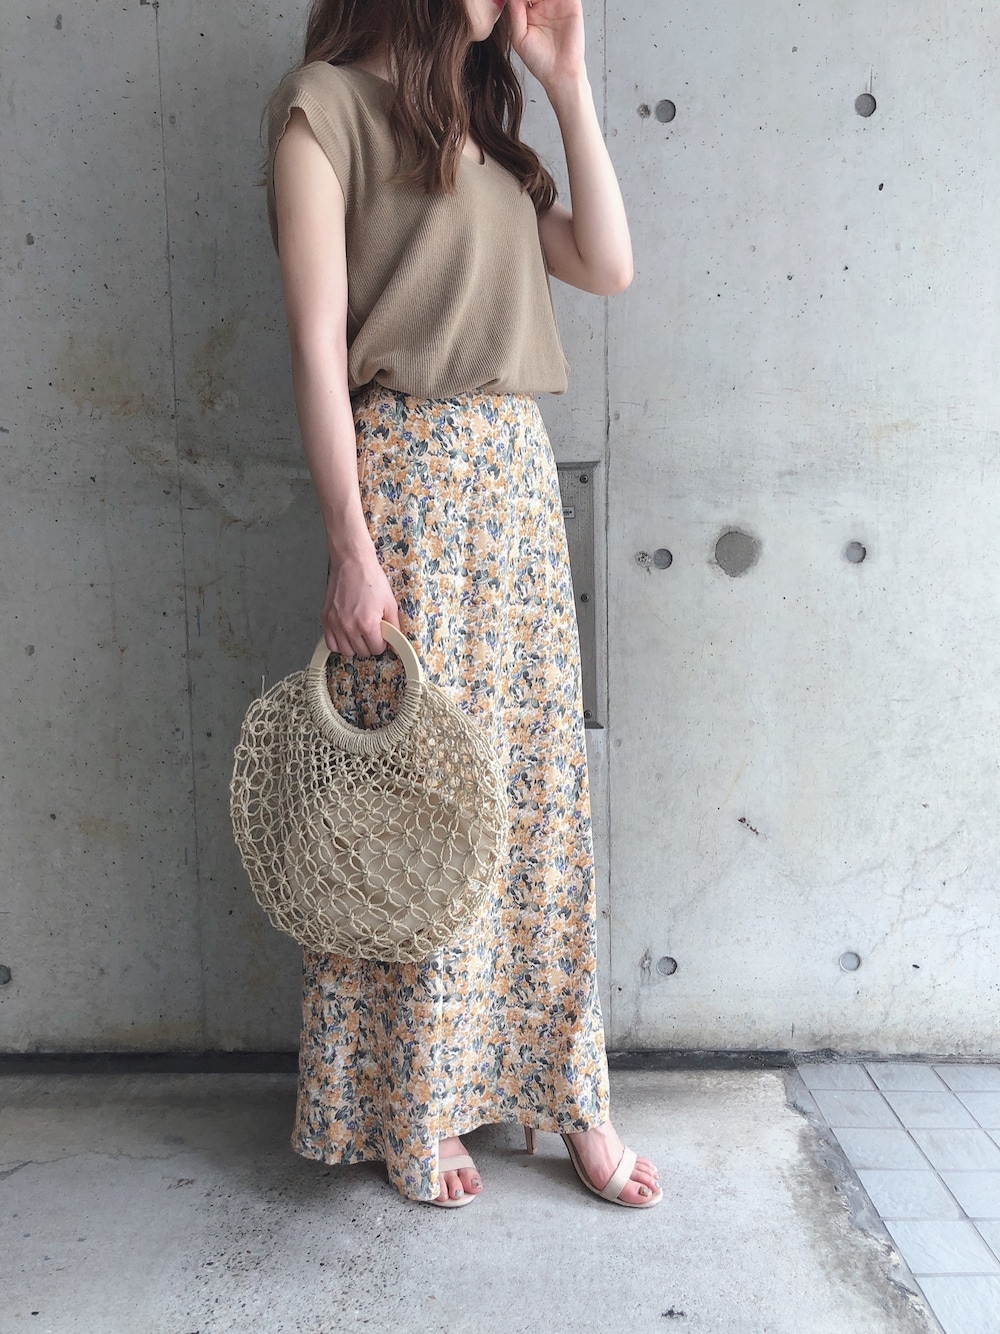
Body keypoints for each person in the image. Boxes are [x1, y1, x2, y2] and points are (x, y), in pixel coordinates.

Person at [264, 0, 661, 1209]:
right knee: (418, 805)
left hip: (513, 483)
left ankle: (567, 1088)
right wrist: (349, 545)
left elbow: (608, 264)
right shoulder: (323, 111)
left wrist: (567, 82)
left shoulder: (482, 125)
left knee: (534, 795)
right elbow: (315, 349)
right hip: (408, 488)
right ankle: (415, 1096)